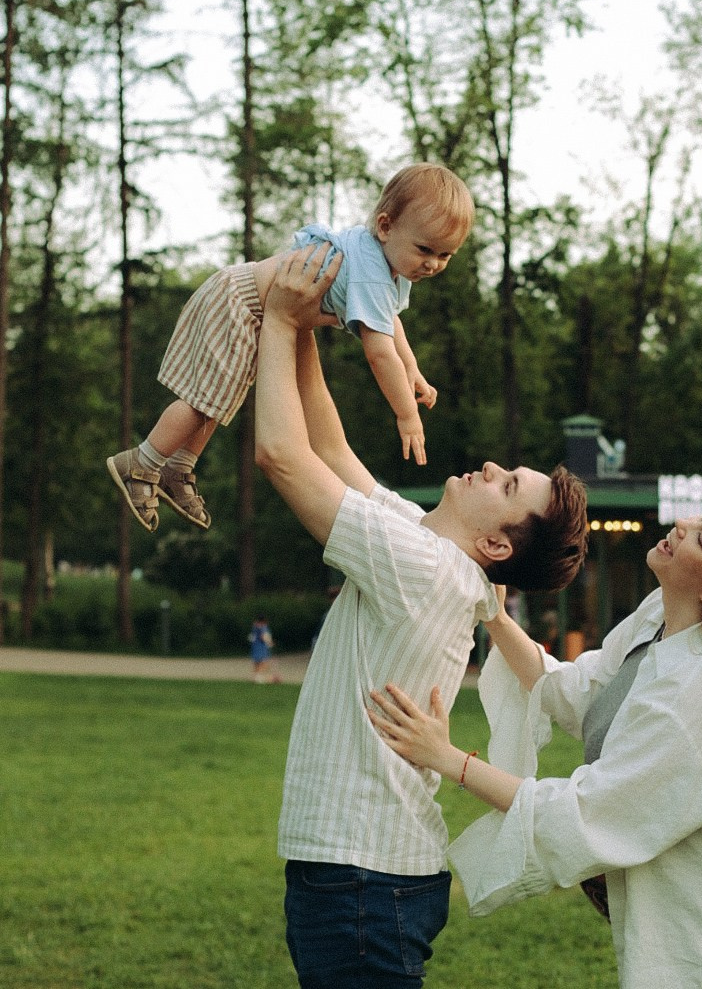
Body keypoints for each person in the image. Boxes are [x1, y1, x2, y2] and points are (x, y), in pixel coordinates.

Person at [370, 503, 702, 989]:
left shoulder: (700, 695)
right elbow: (580, 693)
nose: (684, 526)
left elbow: (587, 811)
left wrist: (447, 758)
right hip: (673, 920)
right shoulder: (661, 618)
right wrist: (497, 616)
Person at [253, 245, 589, 989]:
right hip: (360, 873)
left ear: (496, 541)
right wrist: (314, 322)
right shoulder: (420, 542)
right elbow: (331, 447)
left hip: (362, 878)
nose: (490, 467)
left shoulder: (426, 568)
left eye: (505, 484)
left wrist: (277, 320)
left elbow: (282, 454)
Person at [106, 163, 474, 533]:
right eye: (425, 249)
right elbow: (379, 353)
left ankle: (178, 466)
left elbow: (391, 324)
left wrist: (413, 372)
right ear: (385, 226)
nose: (432, 264)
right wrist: (406, 414)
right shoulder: (371, 269)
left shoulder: (393, 266)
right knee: (202, 403)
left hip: (257, 309)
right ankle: (141, 462)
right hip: (241, 300)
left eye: (445, 256)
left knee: (219, 402)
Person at [249, 614, 281, 683]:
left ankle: (255, 677)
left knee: (257, 662)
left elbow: (252, 637)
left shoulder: (254, 626)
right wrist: (270, 643)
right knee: (264, 662)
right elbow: (263, 636)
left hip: (255, 646)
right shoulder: (263, 627)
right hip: (261, 646)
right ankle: (259, 677)